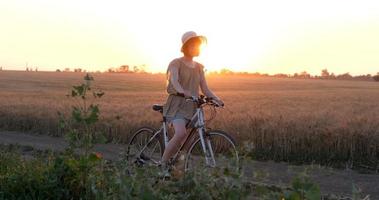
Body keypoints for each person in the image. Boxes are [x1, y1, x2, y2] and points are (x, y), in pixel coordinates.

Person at [160, 31, 224, 175]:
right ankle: (162, 165)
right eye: (194, 45)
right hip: (177, 105)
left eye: (199, 46)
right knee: (181, 133)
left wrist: (216, 99)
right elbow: (174, 81)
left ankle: (178, 170)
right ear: (186, 47)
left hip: (192, 106)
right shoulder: (175, 63)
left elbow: (205, 88)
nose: (197, 48)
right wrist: (183, 91)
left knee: (188, 142)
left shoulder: (199, 67)